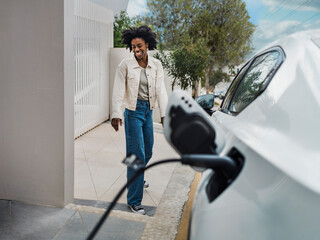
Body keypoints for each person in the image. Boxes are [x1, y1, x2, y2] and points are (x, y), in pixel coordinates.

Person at [111, 25, 168, 215]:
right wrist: (116, 114)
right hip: (132, 112)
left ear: (147, 44)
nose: (136, 50)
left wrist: (164, 114)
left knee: (148, 151)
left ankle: (136, 175)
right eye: (133, 47)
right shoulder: (125, 65)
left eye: (140, 46)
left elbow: (161, 90)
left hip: (148, 112)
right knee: (137, 156)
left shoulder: (156, 65)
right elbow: (119, 90)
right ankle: (134, 200)